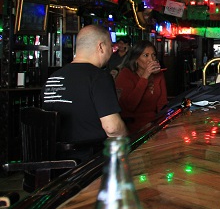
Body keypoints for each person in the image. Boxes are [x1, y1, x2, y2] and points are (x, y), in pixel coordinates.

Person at [42, 25, 128, 161]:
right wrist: (128, 141)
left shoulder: (53, 78)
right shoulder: (99, 77)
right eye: (111, 46)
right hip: (90, 161)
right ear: (101, 47)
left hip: (53, 161)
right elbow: (112, 128)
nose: (112, 52)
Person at [115, 40, 168, 134]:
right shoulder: (125, 74)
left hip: (154, 123)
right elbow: (129, 106)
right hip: (132, 125)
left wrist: (162, 124)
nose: (151, 59)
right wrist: (145, 76)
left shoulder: (158, 74)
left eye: (153, 55)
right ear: (136, 59)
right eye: (146, 55)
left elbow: (162, 103)